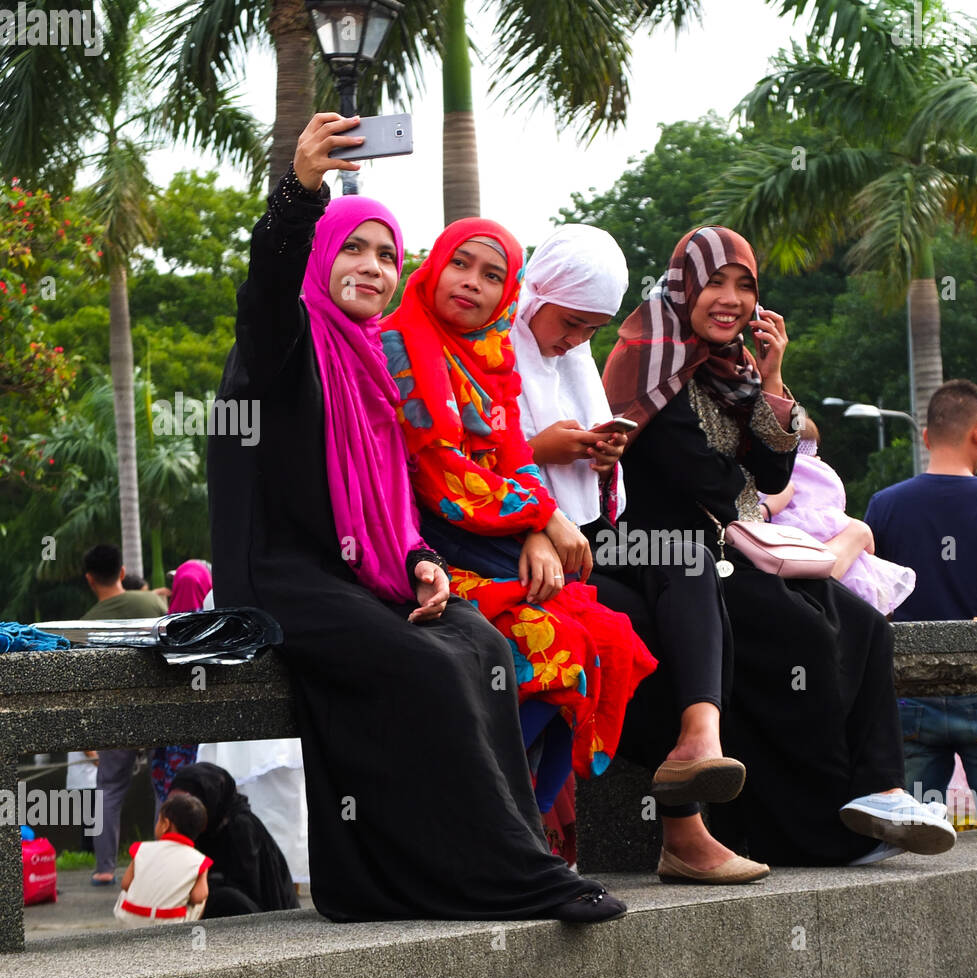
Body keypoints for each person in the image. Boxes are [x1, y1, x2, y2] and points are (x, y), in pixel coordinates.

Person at [206, 112, 624, 923]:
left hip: (354, 573)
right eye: (353, 248)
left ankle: (454, 864)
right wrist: (298, 193)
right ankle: (501, 876)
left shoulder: (365, 359)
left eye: (387, 255)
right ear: (323, 255)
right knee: (425, 664)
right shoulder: (283, 341)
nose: (371, 267)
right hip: (277, 576)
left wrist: (421, 559)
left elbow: (392, 501)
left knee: (476, 639)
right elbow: (264, 287)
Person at [605, 225, 955, 866]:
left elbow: (771, 478)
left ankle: (878, 791)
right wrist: (753, 475)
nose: (731, 298)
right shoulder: (649, 356)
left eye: (745, 286)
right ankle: (815, 831)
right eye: (715, 281)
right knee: (803, 632)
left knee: (862, 623)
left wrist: (772, 376)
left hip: (727, 545)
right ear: (685, 286)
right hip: (653, 550)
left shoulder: (729, 370)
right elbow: (710, 481)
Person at [382, 218, 656, 831]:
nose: (473, 284)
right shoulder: (401, 344)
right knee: (562, 649)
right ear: (435, 264)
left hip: (494, 538)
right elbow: (443, 476)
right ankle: (484, 821)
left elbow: (510, 454)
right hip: (426, 552)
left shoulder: (491, 351)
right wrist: (544, 520)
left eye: (493, 275)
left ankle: (520, 828)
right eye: (462, 264)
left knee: (609, 643)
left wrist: (542, 524)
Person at [513, 223, 765, 883]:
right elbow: (455, 453)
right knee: (644, 637)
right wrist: (543, 454)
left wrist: (602, 454)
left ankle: (700, 734)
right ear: (534, 292)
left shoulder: (574, 359)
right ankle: (685, 825)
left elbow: (770, 468)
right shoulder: (494, 348)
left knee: (685, 560)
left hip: (587, 536)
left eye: (588, 329)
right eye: (568, 322)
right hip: (511, 545)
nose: (574, 341)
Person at [867, 380, 977, 828]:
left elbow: (872, 601)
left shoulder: (884, 506)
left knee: (910, 831)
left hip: (909, 690)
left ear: (925, 437)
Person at [759, 416, 916, 614]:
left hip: (785, 546)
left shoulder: (769, 477)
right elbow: (845, 515)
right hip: (836, 549)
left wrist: (768, 509)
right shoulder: (825, 474)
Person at [81, 543, 169, 887]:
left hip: (114, 716)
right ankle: (166, 861)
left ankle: (104, 869)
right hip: (158, 710)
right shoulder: (153, 603)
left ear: (90, 580)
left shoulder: (86, 622)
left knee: (109, 789)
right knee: (164, 783)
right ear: (121, 572)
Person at [167, 763, 297, 917]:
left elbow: (246, 894)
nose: (178, 812)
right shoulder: (195, 827)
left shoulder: (241, 828)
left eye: (187, 804)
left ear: (209, 799)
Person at [150, 559, 213, 809]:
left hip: (170, 729)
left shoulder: (160, 631)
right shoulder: (219, 628)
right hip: (208, 732)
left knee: (170, 796)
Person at [113, 791, 211, 926]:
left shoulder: (141, 849)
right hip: (169, 924)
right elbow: (198, 897)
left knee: (126, 893)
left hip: (130, 918)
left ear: (165, 824)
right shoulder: (199, 861)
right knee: (201, 901)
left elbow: (126, 884)